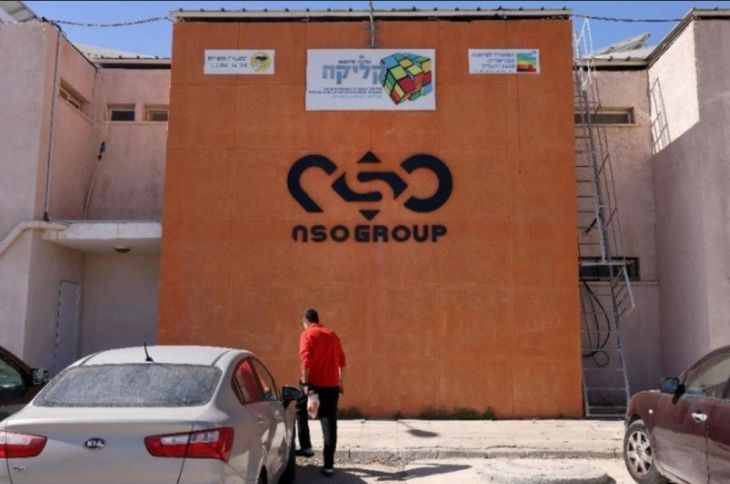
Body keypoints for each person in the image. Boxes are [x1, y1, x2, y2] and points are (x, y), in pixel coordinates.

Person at [295, 308, 346, 478]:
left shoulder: (307, 334)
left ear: (306, 321)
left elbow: (305, 360)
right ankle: (329, 465)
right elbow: (342, 361)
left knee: (300, 409)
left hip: (314, 385)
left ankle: (306, 446)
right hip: (332, 386)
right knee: (329, 421)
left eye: (303, 323)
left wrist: (304, 383)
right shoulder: (333, 335)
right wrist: (341, 383)